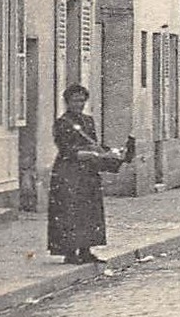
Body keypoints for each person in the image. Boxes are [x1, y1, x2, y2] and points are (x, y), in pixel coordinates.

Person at [47, 84, 134, 265]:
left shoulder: (88, 121)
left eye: (82, 100)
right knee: (70, 211)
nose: (79, 104)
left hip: (88, 173)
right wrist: (95, 154)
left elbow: (95, 144)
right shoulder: (62, 123)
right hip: (68, 172)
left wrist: (112, 153)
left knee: (90, 211)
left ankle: (86, 250)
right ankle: (70, 252)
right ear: (67, 102)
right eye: (75, 101)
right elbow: (67, 151)